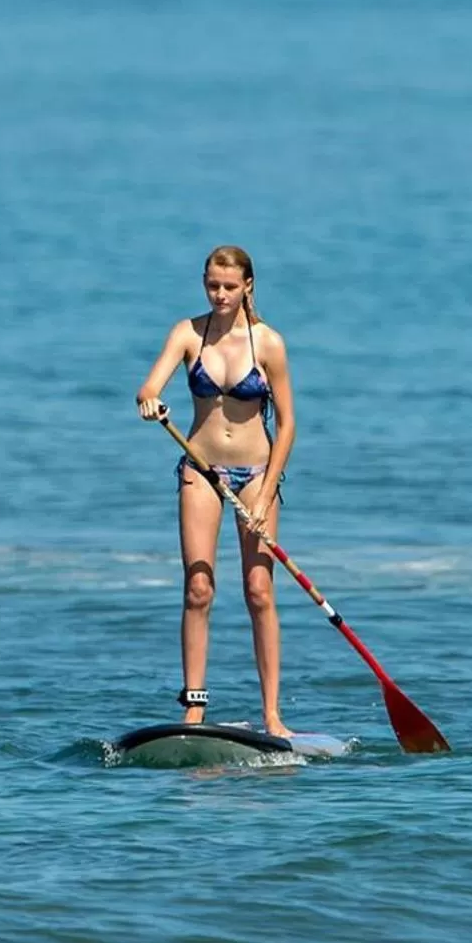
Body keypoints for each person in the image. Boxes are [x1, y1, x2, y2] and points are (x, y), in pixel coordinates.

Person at [135, 247, 298, 737]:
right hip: (201, 471)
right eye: (212, 285)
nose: (220, 294)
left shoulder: (268, 344)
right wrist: (150, 403)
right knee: (199, 588)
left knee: (259, 591)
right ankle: (194, 709)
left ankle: (271, 714)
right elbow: (148, 388)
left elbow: (288, 425)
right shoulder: (189, 333)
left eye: (229, 286)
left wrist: (266, 494)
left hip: (256, 476)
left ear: (248, 284)